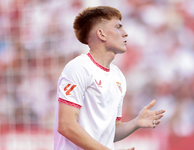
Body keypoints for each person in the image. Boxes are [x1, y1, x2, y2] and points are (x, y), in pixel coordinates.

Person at [54, 6, 165, 150]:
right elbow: (66, 126)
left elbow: (109, 131)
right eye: (118, 27)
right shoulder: (79, 67)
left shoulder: (118, 76)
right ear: (101, 34)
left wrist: (136, 123)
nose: (125, 34)